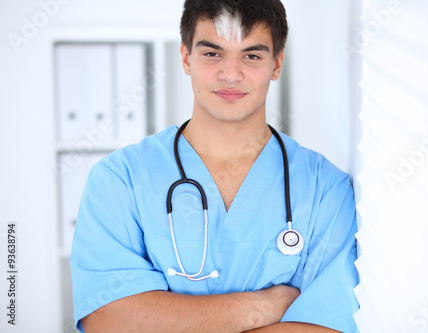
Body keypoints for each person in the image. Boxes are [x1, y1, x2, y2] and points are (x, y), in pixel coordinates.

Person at [70, 0, 359, 332]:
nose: (231, 74)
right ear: (185, 57)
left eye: (251, 56)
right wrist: (263, 307)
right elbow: (109, 321)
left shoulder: (326, 191)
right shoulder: (120, 180)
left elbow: (327, 326)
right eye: (212, 53)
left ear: (277, 64)